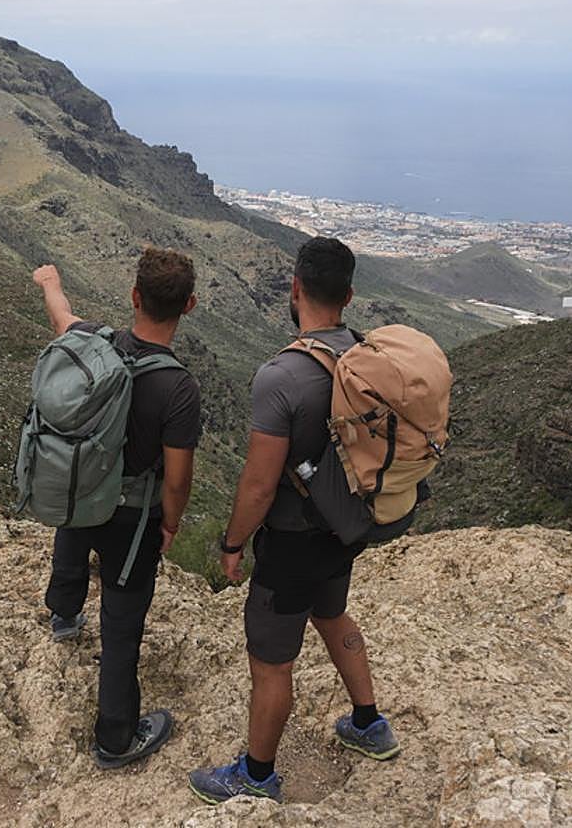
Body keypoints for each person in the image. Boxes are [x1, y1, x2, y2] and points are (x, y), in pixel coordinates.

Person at [189, 237, 401, 804]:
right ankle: (368, 723)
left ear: (295, 289)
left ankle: (256, 777)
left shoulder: (281, 377)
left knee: (271, 662)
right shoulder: (364, 357)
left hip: (291, 542)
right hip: (345, 530)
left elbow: (259, 484)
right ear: (350, 295)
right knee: (332, 615)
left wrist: (233, 543)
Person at [32, 247, 201, 769]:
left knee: (77, 521)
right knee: (122, 622)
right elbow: (177, 478)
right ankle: (116, 739)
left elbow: (61, 316)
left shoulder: (94, 344)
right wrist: (171, 523)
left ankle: (62, 610)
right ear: (189, 305)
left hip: (83, 497)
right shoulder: (179, 388)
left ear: (133, 296)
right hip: (134, 519)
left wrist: (50, 280)